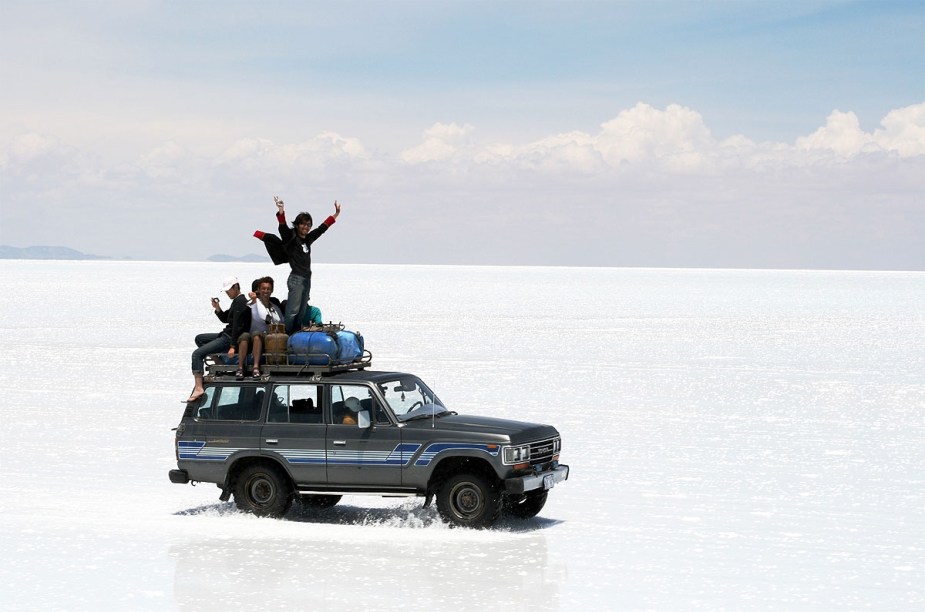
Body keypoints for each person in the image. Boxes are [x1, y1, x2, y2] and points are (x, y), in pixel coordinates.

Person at [254, 196, 341, 333]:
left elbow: (321, 229)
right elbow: (283, 228)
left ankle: (296, 335)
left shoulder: (307, 240)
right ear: (297, 225)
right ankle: (286, 336)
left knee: (301, 312)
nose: (306, 227)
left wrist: (335, 215)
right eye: (303, 224)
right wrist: (281, 211)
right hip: (296, 279)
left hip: (307, 279)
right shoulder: (291, 238)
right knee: (293, 311)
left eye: (308, 225)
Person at [185, 276, 251, 402]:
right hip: (226, 335)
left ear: (236, 287)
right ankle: (220, 363)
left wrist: (232, 347)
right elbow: (226, 319)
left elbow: (238, 326)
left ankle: (198, 387)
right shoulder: (236, 301)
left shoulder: (241, 302)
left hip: (229, 338)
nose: (227, 293)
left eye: (228, 290)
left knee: (197, 354)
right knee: (200, 339)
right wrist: (217, 308)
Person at [236, 276, 284, 378]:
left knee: (257, 335)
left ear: (271, 291)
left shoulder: (274, 307)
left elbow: (280, 321)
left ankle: (256, 367)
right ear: (258, 290)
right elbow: (258, 317)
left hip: (266, 336)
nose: (266, 291)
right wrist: (254, 301)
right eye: (263, 289)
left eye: (268, 289)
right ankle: (240, 368)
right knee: (245, 336)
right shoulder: (252, 303)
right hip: (251, 334)